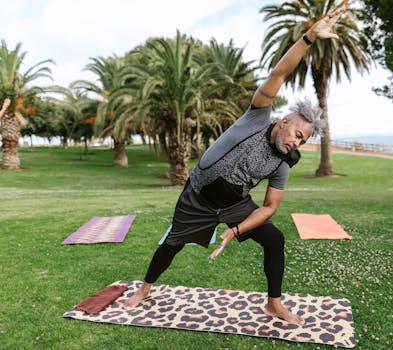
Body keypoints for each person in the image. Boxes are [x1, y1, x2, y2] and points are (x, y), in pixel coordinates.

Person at [122, 5, 347, 325]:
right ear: (283, 122)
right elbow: (278, 74)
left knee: (275, 239)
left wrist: (237, 230)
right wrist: (309, 37)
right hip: (198, 196)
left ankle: (274, 303)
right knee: (173, 242)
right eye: (297, 134)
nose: (297, 143)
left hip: (235, 204)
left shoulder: (282, 163)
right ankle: (144, 288)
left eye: (302, 141)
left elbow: (269, 208)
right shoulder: (257, 117)